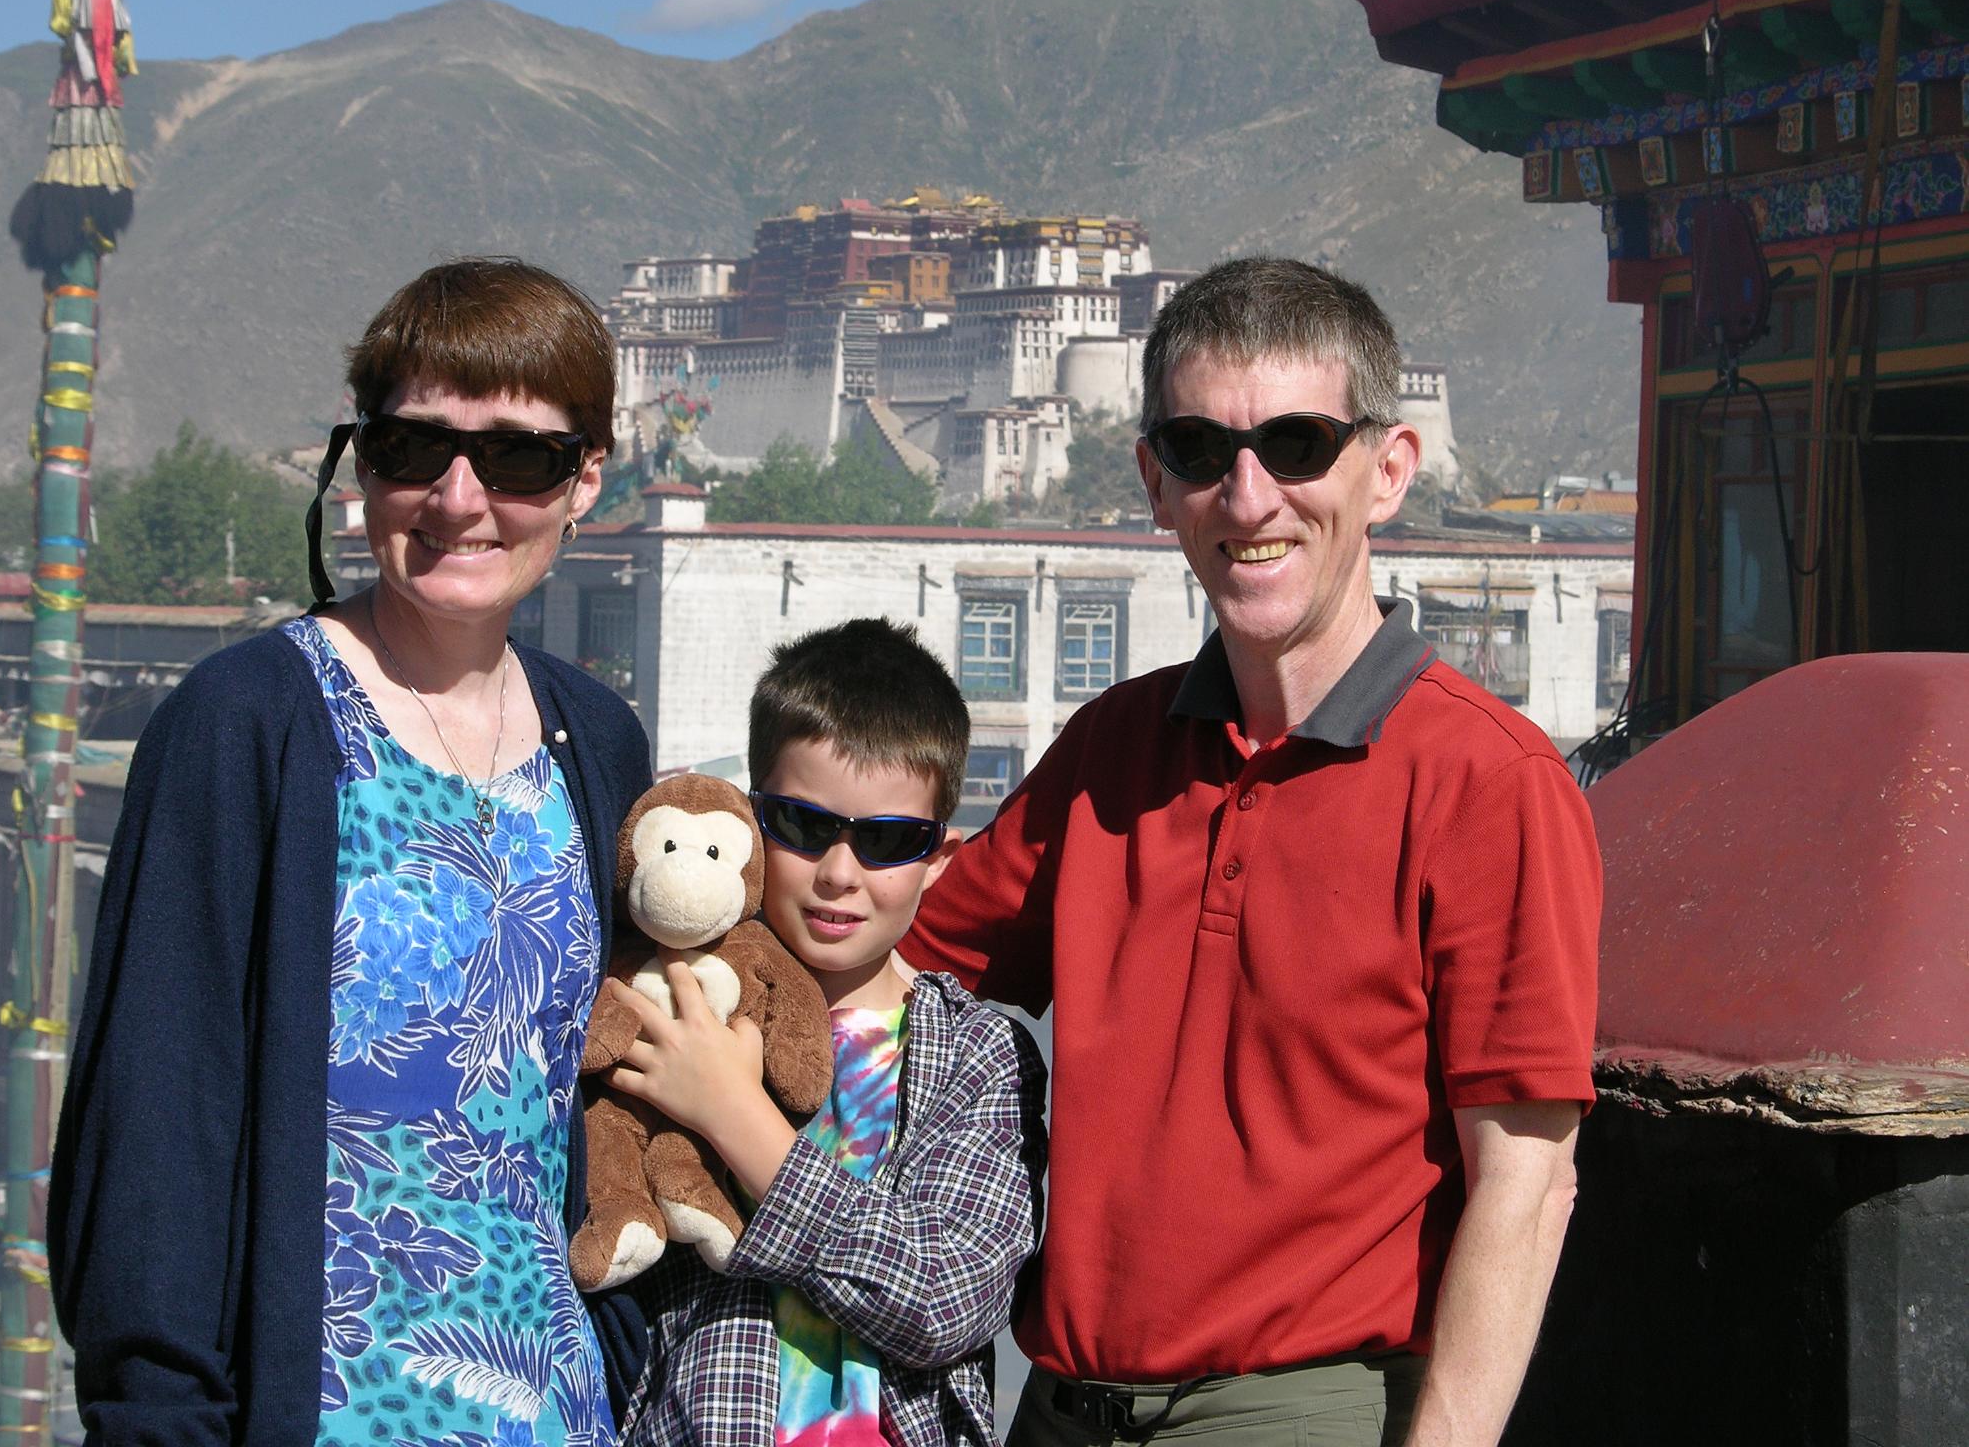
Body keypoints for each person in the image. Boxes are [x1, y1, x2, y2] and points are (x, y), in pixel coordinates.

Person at [902, 258, 1602, 1447]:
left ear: (1386, 473)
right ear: (1153, 483)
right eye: (1199, 450)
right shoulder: (1113, 749)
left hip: (1298, 1411)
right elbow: (903, 969)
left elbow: (1527, 1188)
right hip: (1060, 1409)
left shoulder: (1489, 784)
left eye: (1295, 443)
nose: (1249, 494)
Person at [49, 258, 655, 1446]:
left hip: (560, 1414)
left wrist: (620, 1352)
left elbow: (609, 1098)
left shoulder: (602, 742)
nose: (460, 499)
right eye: (413, 449)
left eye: (520, 458)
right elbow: (156, 1118)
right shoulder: (249, 725)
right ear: (359, 465)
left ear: (588, 477)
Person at [609, 618, 1048, 1447]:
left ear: (939, 857)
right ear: (748, 824)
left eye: (887, 841)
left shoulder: (980, 1055)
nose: (840, 874)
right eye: (806, 827)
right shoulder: (669, 1006)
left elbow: (945, 1301)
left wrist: (736, 1119)